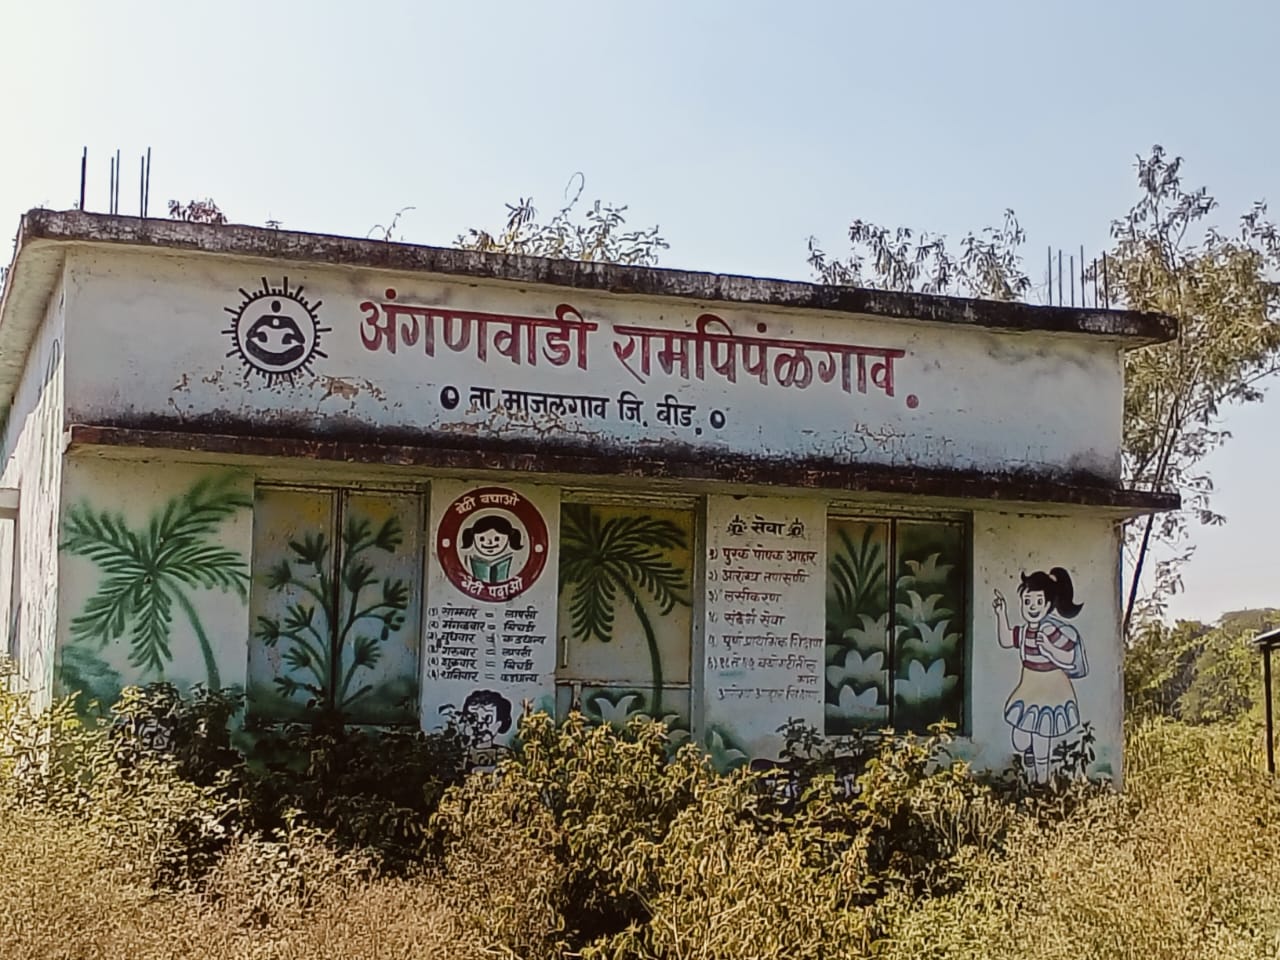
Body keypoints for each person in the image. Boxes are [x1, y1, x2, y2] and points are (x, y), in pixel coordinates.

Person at [992, 567, 1087, 783]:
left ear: (1047, 605)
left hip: (1052, 690)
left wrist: (1051, 651)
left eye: (1038, 601)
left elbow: (1070, 658)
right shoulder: (1025, 632)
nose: (1032, 607)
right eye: (1027, 601)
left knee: (1042, 735)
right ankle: (1031, 758)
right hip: (1029, 688)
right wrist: (1001, 613)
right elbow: (1006, 640)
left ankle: (1042, 782)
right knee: (1020, 739)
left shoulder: (1051, 631)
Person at [460, 515, 523, 583]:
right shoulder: (467, 560)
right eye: (482, 539)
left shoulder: (515, 560)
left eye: (497, 539)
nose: (489, 543)